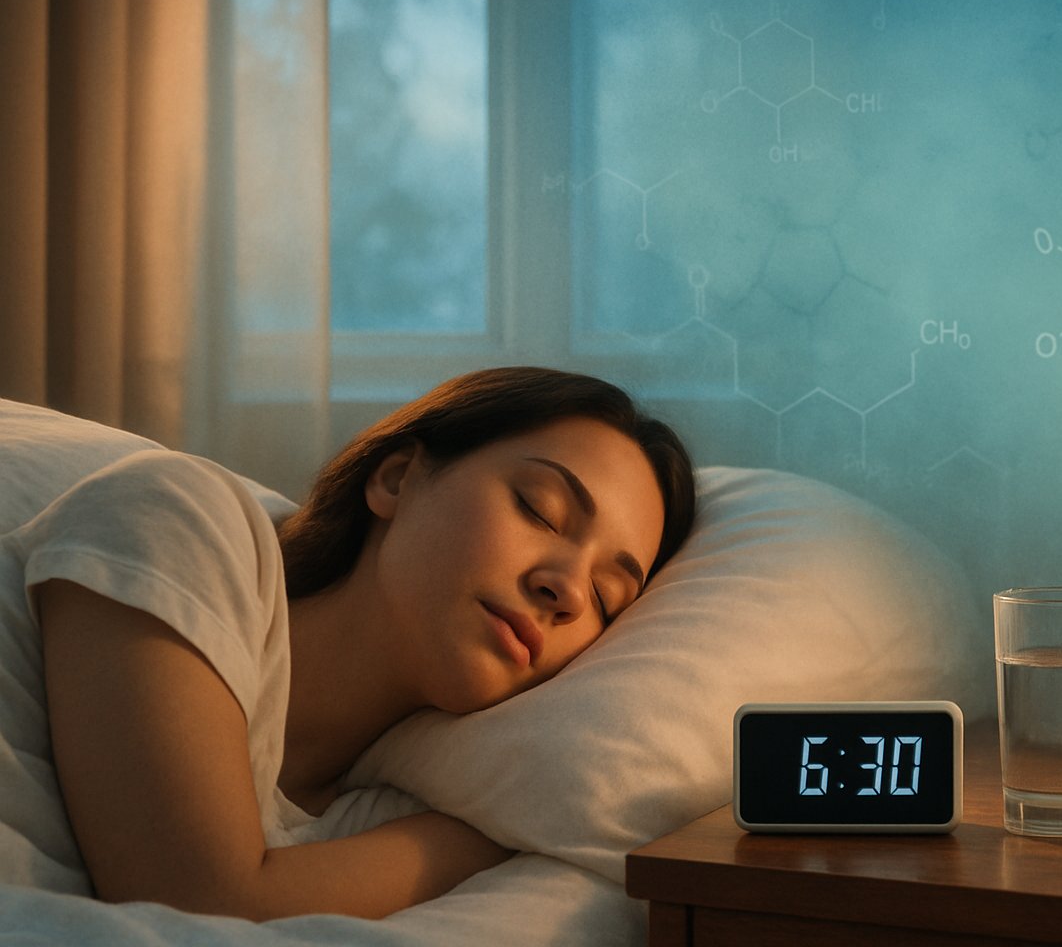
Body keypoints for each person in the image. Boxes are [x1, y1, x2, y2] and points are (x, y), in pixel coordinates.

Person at [0, 367, 695, 920]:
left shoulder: (374, 814)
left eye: (608, 598)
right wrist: (499, 831)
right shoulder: (184, 520)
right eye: (540, 509)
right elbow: (198, 901)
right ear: (396, 478)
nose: (568, 590)